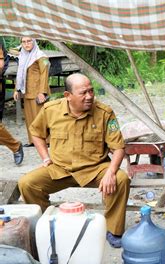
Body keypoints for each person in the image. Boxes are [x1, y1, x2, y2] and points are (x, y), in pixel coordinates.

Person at [18, 73, 130, 248]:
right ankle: (43, 226)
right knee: (27, 183)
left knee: (120, 179)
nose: (89, 96)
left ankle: (113, 230)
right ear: (67, 96)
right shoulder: (51, 110)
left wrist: (110, 171)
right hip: (59, 168)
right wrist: (45, 157)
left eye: (91, 91)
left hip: (95, 168)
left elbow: (119, 148)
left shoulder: (104, 113)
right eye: (83, 93)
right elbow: (36, 133)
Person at [13, 37, 51, 147]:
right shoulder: (23, 56)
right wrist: (16, 89)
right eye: (23, 42)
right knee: (30, 118)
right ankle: (33, 141)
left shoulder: (41, 55)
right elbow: (20, 74)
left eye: (29, 41)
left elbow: (44, 74)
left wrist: (42, 92)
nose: (26, 44)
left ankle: (46, 140)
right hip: (27, 91)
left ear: (34, 41)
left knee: (41, 117)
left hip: (38, 92)